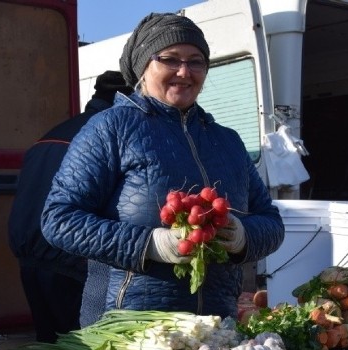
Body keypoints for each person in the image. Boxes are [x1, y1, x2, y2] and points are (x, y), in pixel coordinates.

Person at [41, 12, 284, 321]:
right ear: (144, 65)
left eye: (196, 61)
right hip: (130, 330)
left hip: (214, 329)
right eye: (170, 59)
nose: (184, 72)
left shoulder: (227, 141)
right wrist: (149, 244)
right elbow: (59, 219)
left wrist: (243, 236)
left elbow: (272, 222)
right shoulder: (109, 129)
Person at [8, 71, 132, 342]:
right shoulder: (110, 135)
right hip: (75, 262)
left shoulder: (53, 133)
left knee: (51, 349)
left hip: (31, 259)